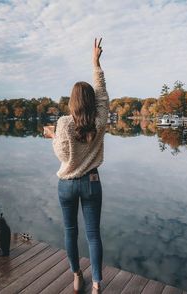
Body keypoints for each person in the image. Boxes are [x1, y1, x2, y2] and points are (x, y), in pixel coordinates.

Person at [48, 38, 109, 293]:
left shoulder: (63, 123)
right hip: (92, 182)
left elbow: (63, 155)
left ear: (72, 102)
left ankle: (76, 275)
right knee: (93, 235)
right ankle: (96, 285)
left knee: (70, 232)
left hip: (68, 185)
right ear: (92, 102)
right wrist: (95, 63)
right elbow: (103, 93)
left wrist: (52, 136)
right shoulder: (100, 119)